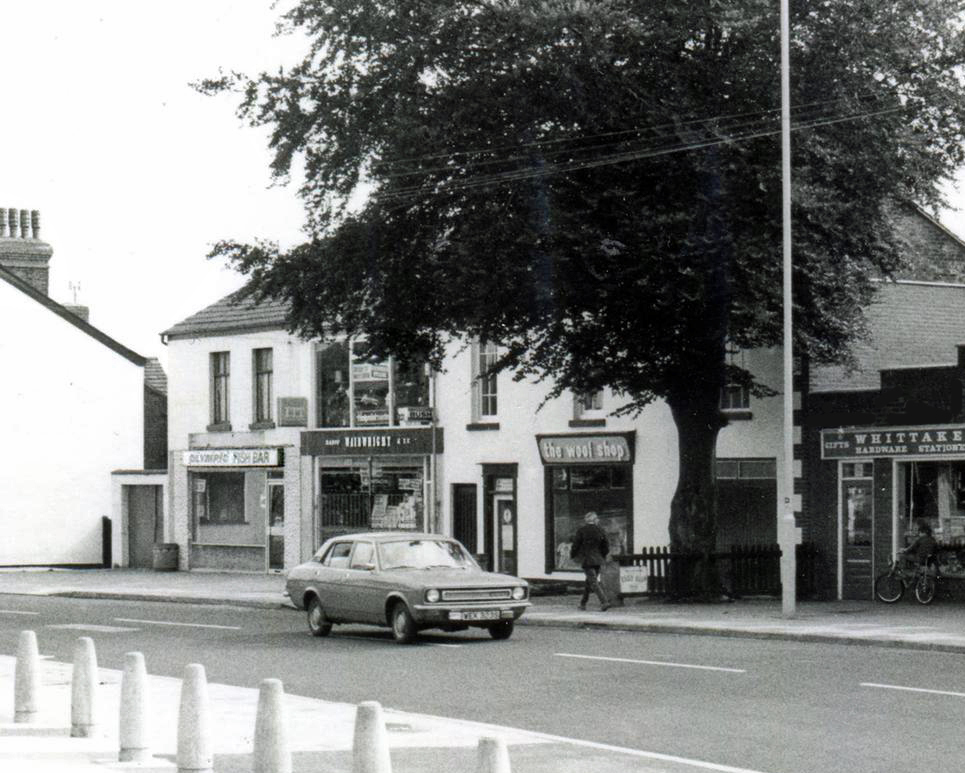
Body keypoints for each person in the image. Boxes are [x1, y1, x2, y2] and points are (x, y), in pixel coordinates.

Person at [569, 512, 611, 611]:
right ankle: (583, 603)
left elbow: (575, 545)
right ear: (595, 519)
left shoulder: (581, 531)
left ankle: (604, 602)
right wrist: (602, 556)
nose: (598, 520)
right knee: (590, 581)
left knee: (593, 582)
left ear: (586, 520)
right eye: (597, 519)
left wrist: (573, 555)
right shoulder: (600, 530)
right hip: (598, 560)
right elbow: (606, 546)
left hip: (587, 560)